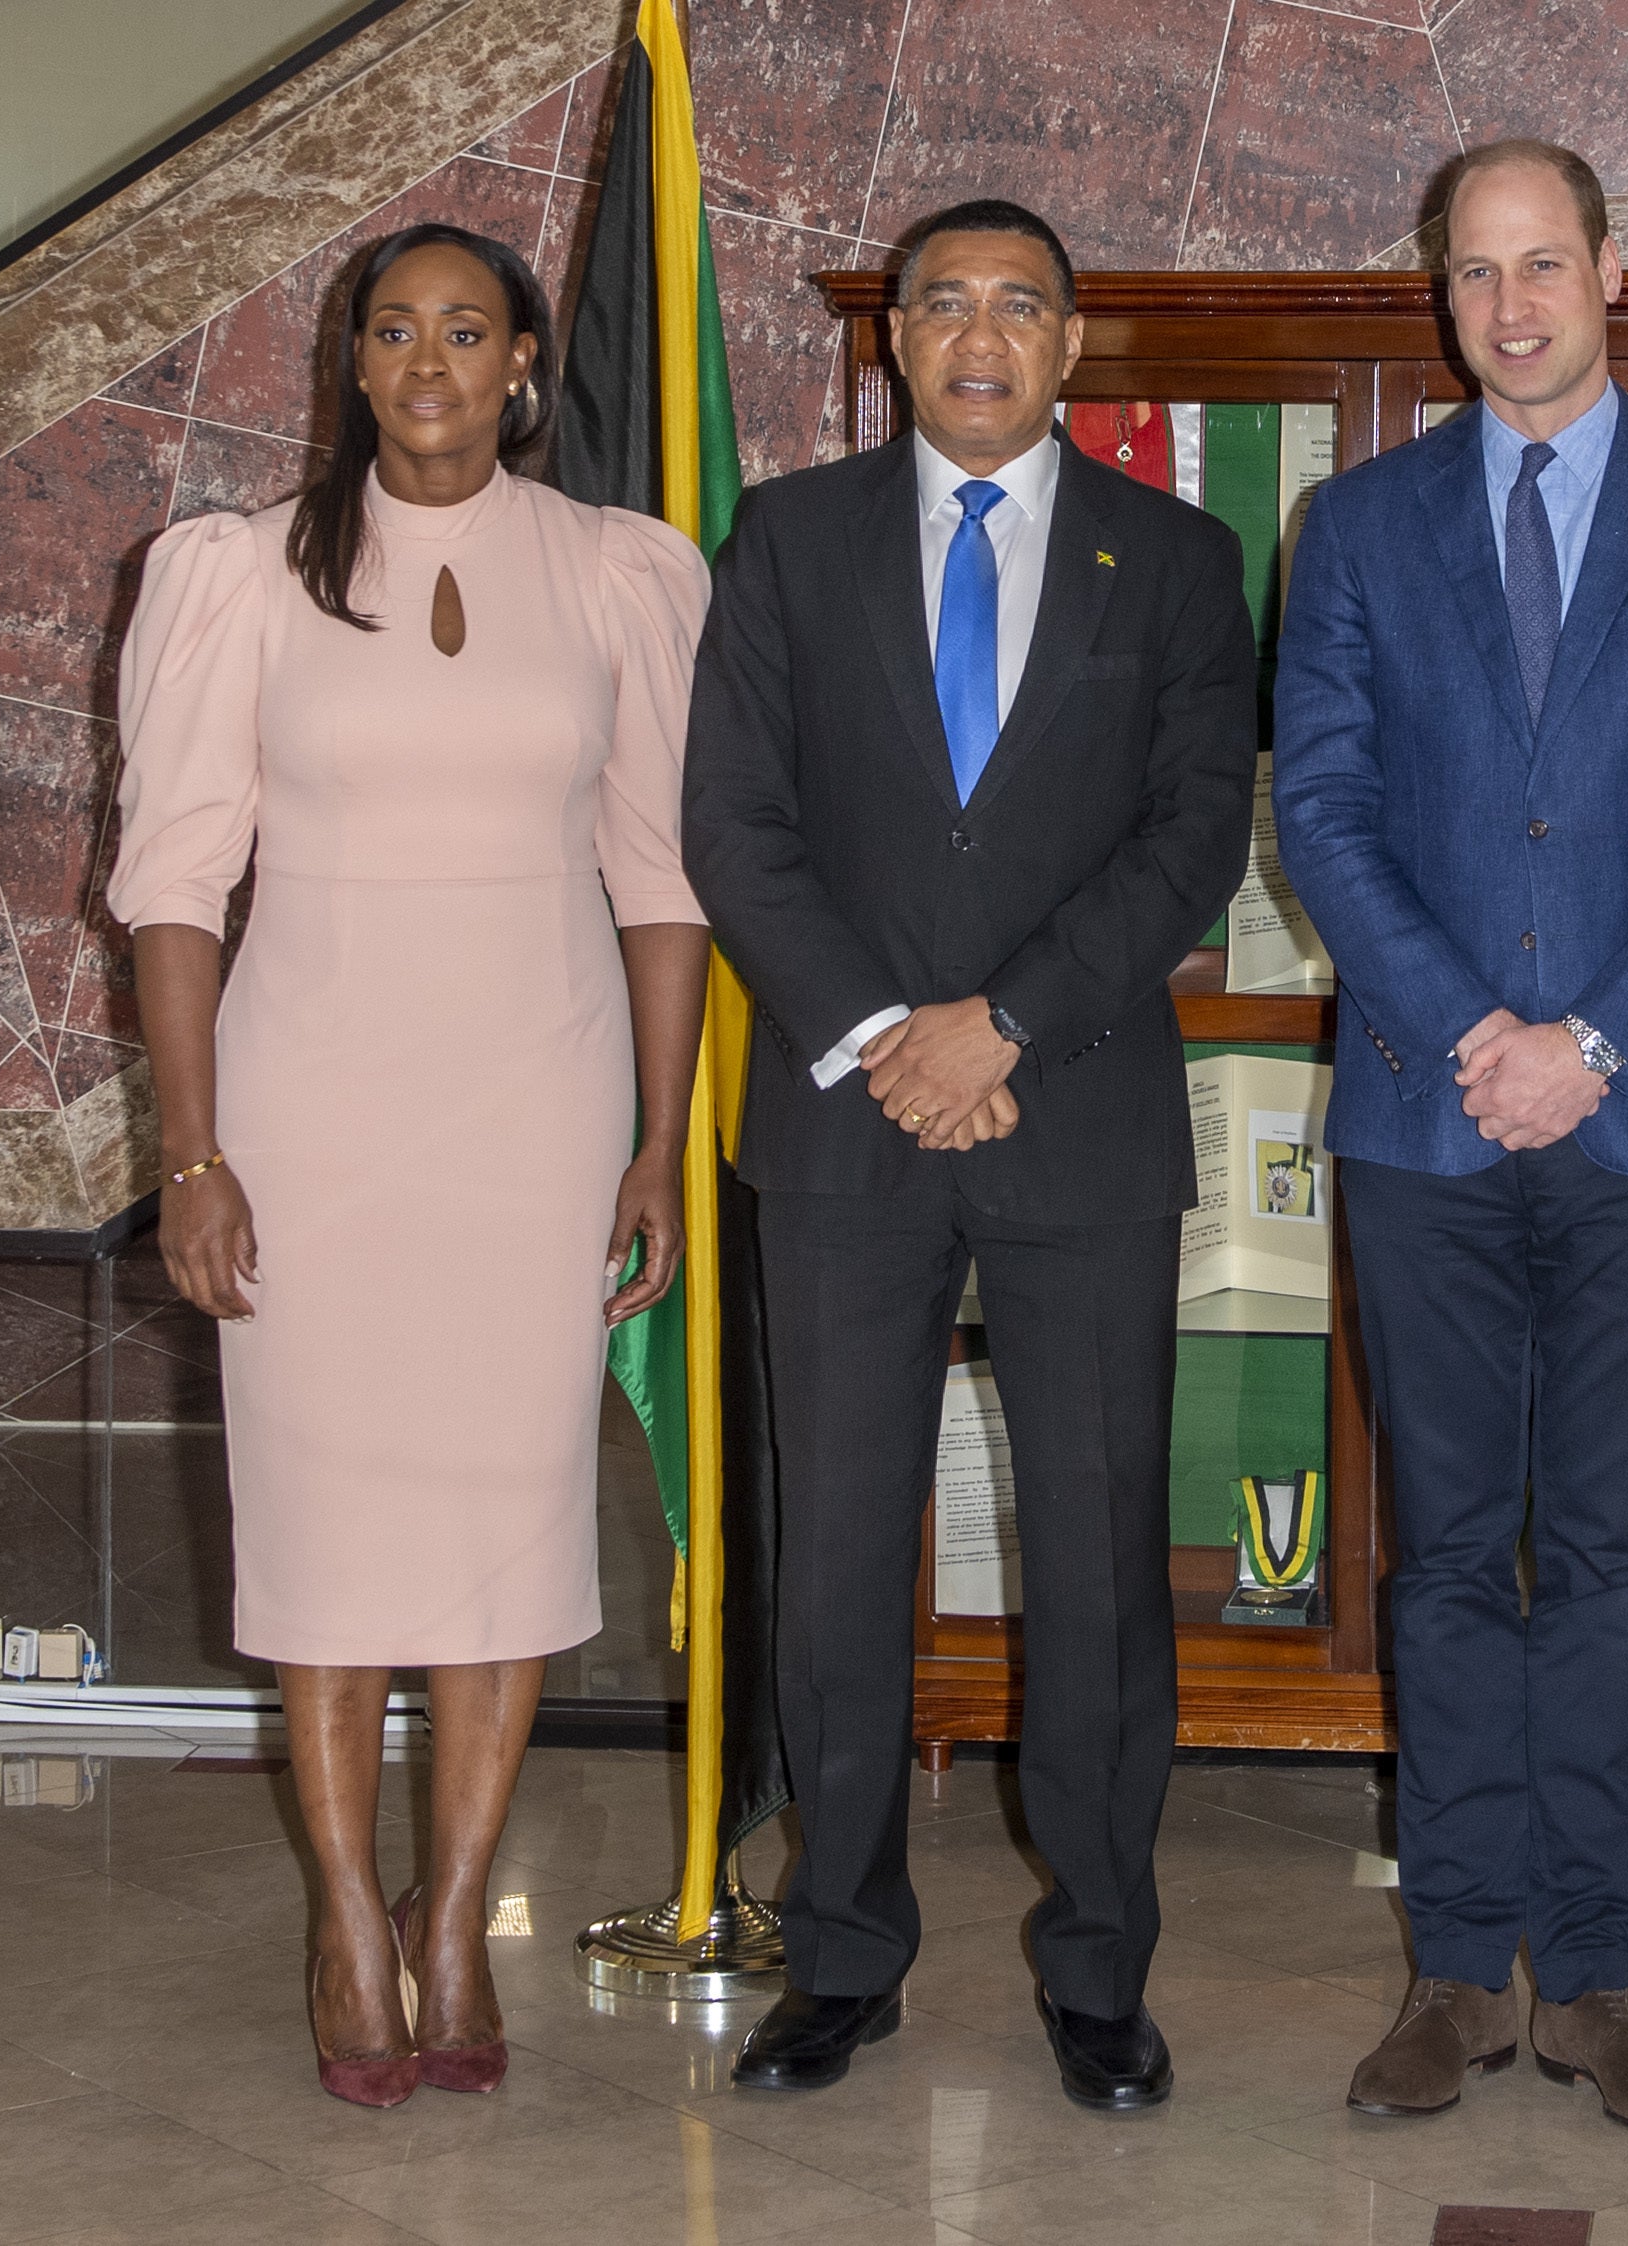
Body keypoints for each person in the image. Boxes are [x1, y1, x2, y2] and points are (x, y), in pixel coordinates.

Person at [109, 223, 712, 2108]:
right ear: (352, 364)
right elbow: (173, 890)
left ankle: (456, 1909)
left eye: (471, 328)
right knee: (330, 1533)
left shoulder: (622, 575)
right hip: (307, 1117)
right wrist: (192, 1153)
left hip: (538, 1113)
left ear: (526, 361)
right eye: (396, 329)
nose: (433, 359)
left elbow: (661, 881)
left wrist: (659, 1145)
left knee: (503, 1523)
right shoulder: (236, 574)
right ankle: (346, 1912)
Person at [681, 199, 1256, 2109]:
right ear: (895, 342)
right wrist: (881, 1035)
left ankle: (1101, 1966)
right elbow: (735, 824)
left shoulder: (1174, 557)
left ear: (1074, 343)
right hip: (844, 1126)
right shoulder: (788, 539)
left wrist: (1001, 1024)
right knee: (836, 1557)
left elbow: (1188, 836)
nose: (983, 336)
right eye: (946, 305)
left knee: (1097, 1566)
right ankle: (839, 1953)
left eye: (1022, 305)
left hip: (1073, 1112)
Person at [1273, 141, 1628, 2133]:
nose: (1509, 306)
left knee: (1592, 1555)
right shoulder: (1351, 525)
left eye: (1541, 265)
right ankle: (1447, 1970)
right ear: (1441, 292)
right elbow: (1321, 811)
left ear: (1608, 269)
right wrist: (1477, 1032)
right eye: (1474, 273)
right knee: (1439, 1564)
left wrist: (1583, 1039)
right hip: (1425, 1117)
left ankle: (1585, 1978)